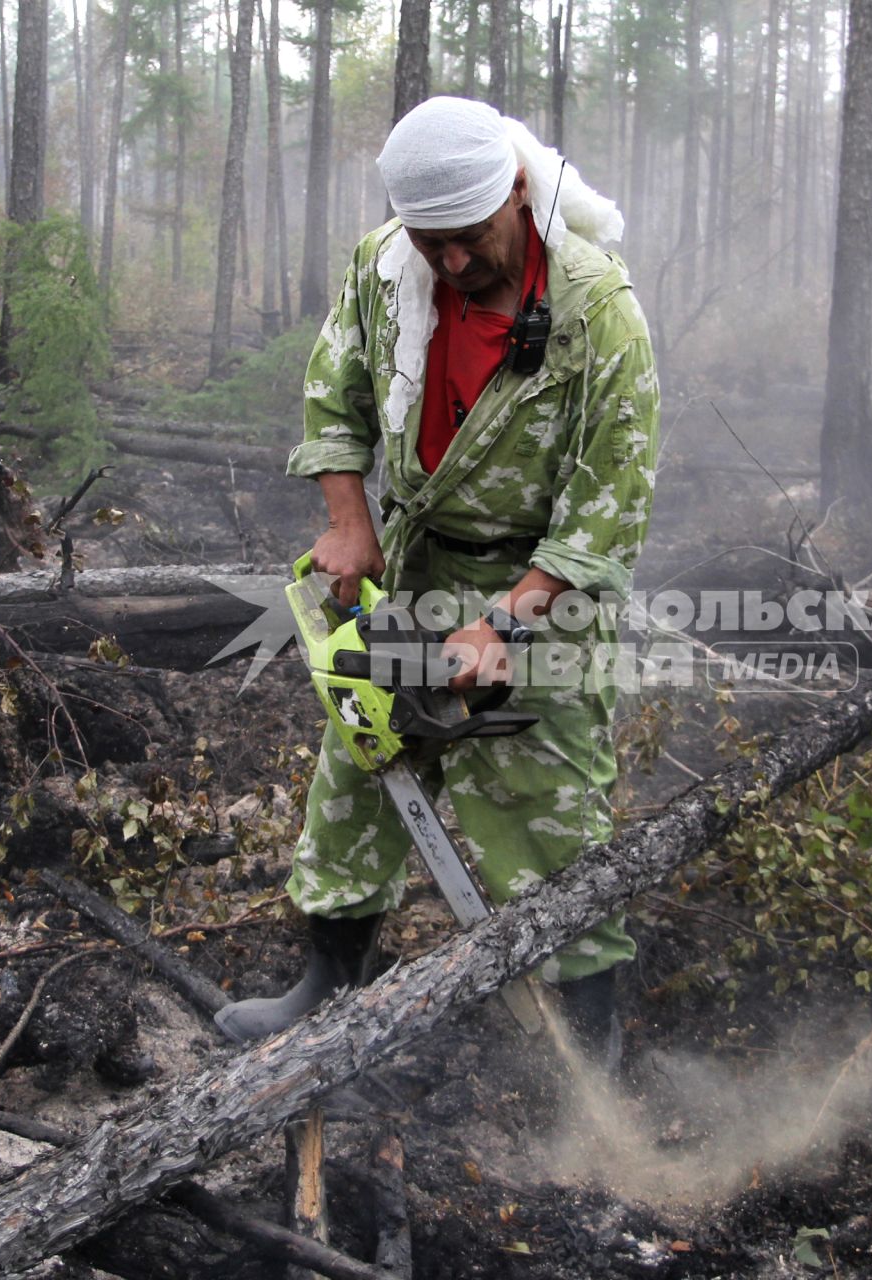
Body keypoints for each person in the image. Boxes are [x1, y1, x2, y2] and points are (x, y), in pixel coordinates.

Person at [215, 97, 660, 1070]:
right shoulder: (388, 268)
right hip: (418, 558)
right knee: (362, 768)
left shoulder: (596, 315)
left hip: (544, 580)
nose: (450, 264)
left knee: (552, 814)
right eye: (432, 243)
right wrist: (348, 518)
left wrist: (507, 620)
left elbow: (606, 509)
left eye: (469, 241)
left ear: (514, 191)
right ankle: (328, 984)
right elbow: (335, 390)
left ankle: (590, 1054)